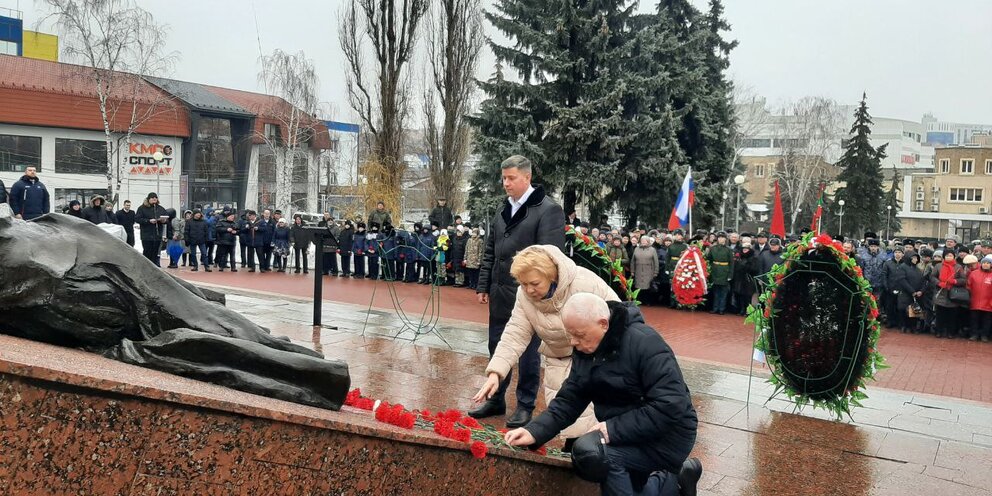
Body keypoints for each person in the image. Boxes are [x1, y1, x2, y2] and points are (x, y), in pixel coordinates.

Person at [504, 293, 701, 496]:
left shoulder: (646, 343)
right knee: (591, 458)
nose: (573, 341)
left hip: (668, 435)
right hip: (628, 431)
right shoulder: (586, 347)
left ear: (603, 324)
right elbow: (570, 398)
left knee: (598, 455)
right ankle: (674, 482)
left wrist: (613, 429)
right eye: (569, 334)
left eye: (579, 335)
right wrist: (533, 431)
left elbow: (670, 404)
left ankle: (671, 478)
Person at [473, 245, 620, 441]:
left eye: (534, 283)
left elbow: (619, 318)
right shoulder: (524, 295)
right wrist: (495, 373)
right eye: (523, 284)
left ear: (551, 275)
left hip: (594, 359)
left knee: (596, 429)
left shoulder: (585, 283)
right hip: (558, 360)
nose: (529, 290)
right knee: (567, 425)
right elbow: (515, 333)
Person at [471, 155, 566, 428]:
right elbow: (492, 249)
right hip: (500, 293)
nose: (506, 184)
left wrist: (542, 292)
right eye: (503, 178)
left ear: (527, 177)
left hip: (529, 296)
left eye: (511, 178)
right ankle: (496, 396)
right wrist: (483, 284)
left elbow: (550, 259)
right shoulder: (503, 209)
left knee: (528, 354)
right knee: (497, 345)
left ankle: (525, 405)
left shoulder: (548, 210)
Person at [930, 250, 966, 339]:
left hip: (953, 293)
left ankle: (951, 332)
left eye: (951, 255)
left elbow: (963, 280)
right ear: (943, 257)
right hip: (941, 292)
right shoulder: (938, 266)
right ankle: (939, 331)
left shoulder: (958, 267)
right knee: (940, 314)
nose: (949, 257)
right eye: (947, 255)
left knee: (952, 315)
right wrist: (939, 283)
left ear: (954, 257)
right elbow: (932, 276)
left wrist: (954, 281)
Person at [134, 192, 168, 266]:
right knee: (147, 252)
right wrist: (148, 221)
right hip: (147, 235)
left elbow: (166, 217)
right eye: (152, 198)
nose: (154, 199)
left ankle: (154, 267)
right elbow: (137, 219)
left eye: (156, 198)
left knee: (155, 253)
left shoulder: (160, 208)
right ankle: (146, 267)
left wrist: (164, 220)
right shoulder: (142, 208)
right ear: (148, 199)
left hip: (157, 235)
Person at [706, 232, 735, 315]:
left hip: (724, 272)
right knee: (716, 292)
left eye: (723, 237)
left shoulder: (729, 249)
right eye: (719, 237)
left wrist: (730, 275)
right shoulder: (713, 248)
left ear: (725, 239)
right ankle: (715, 308)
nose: (721, 239)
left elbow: (731, 263)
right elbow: (709, 259)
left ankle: (721, 309)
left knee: (723, 292)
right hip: (715, 271)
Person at [966, 255, 992, 342]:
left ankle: (984, 335)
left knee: (986, 320)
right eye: (984, 262)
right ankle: (974, 334)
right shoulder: (974, 273)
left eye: (988, 263)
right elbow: (968, 285)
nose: (985, 264)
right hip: (975, 301)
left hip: (988, 303)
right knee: (974, 319)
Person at [732, 242, 760, 316]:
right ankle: (741, 309)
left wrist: (746, 267)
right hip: (739, 278)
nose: (744, 250)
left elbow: (755, 269)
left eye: (746, 248)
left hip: (748, 279)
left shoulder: (753, 258)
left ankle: (747, 310)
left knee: (747, 296)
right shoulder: (739, 257)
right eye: (743, 248)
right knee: (739, 295)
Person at [630, 236, 659, 304]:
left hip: (649, 271)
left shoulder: (652, 250)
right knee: (638, 287)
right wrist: (632, 271)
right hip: (638, 270)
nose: (643, 242)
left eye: (645, 241)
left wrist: (656, 272)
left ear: (648, 242)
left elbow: (656, 262)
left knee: (648, 287)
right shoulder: (636, 249)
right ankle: (639, 301)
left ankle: (648, 301)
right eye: (642, 240)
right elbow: (633, 261)